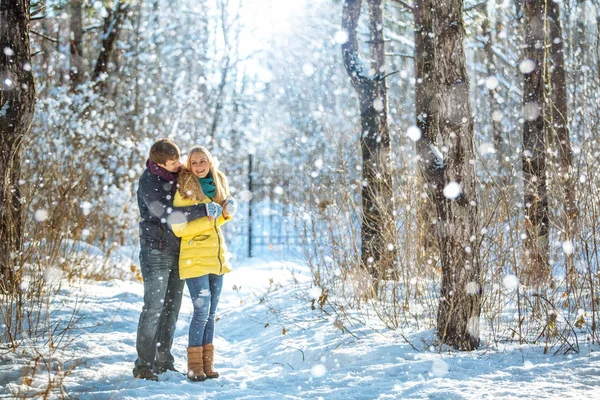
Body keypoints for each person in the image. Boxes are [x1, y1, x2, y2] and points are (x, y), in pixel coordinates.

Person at [133, 139, 223, 381]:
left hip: (180, 252)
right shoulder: (149, 182)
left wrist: (223, 202)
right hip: (156, 251)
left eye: (178, 159)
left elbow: (206, 177)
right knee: (153, 308)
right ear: (159, 163)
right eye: (173, 162)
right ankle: (143, 365)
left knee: (171, 309)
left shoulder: (179, 174)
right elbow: (168, 215)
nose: (179, 164)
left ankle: (164, 361)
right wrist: (202, 210)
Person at [171, 146, 237, 382]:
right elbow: (179, 229)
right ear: (189, 164)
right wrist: (209, 219)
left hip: (217, 258)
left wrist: (226, 213)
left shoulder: (217, 184)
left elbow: (216, 223)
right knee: (201, 312)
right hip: (194, 258)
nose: (199, 166)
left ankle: (207, 366)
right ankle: (194, 367)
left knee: (211, 314)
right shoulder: (185, 188)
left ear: (210, 162)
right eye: (194, 162)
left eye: (203, 161)